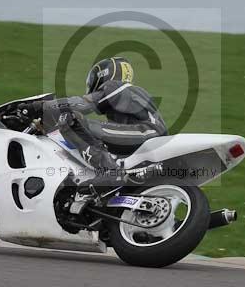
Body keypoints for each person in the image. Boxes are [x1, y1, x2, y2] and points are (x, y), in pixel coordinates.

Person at [19, 57, 167, 191]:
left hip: (147, 132)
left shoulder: (116, 86)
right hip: (145, 135)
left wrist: (40, 106)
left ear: (104, 74)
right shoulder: (127, 97)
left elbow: (82, 104)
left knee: (70, 120)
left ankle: (109, 172)